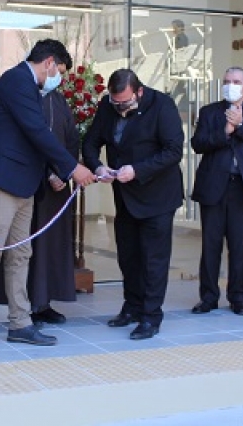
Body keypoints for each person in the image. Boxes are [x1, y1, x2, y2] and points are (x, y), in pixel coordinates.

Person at [0, 39, 95, 355]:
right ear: (49, 62)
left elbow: (36, 138)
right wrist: (72, 168)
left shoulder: (31, 87)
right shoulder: (16, 80)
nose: (58, 79)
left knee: (20, 254)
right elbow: (37, 131)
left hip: (24, 185)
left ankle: (20, 323)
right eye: (59, 72)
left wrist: (59, 169)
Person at [82, 68, 184, 340]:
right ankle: (132, 307)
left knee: (153, 259)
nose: (120, 107)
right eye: (115, 103)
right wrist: (98, 166)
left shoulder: (162, 105)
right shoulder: (108, 106)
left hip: (158, 196)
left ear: (139, 91)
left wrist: (137, 170)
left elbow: (174, 150)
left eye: (125, 102)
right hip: (125, 197)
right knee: (129, 257)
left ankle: (151, 316)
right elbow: (91, 142)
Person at [0, 86, 80, 325]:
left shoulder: (59, 100)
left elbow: (71, 139)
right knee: (23, 246)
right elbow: (30, 138)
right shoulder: (22, 96)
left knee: (50, 247)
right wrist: (47, 173)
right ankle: (21, 305)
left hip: (57, 188)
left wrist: (63, 172)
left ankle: (44, 303)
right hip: (28, 183)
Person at [190, 66, 243, 316]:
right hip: (213, 187)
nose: (230, 85)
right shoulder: (209, 113)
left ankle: (238, 297)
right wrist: (224, 131)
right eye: (226, 81)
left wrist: (241, 125)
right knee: (211, 245)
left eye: (236, 81)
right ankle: (208, 297)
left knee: (239, 246)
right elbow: (197, 144)